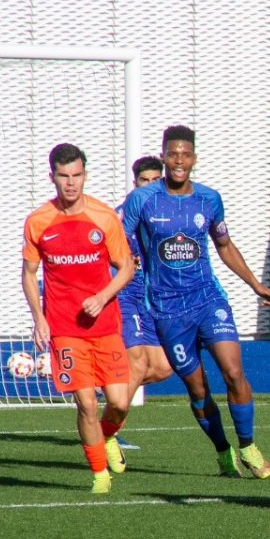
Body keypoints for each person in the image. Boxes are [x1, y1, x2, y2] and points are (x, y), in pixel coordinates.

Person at [121, 125, 270, 479]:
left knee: (234, 372)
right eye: (173, 154)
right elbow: (119, 240)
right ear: (163, 157)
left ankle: (248, 446)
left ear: (194, 158)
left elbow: (224, 244)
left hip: (208, 299)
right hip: (167, 310)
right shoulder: (142, 200)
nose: (179, 161)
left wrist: (255, 284)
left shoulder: (209, 199)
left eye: (185, 154)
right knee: (197, 387)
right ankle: (223, 451)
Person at [22, 143, 135, 493]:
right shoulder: (39, 221)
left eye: (76, 175)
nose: (71, 183)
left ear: (85, 175)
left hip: (105, 326)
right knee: (86, 403)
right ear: (52, 177)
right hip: (65, 329)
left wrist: (102, 297)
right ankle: (100, 475)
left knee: (119, 403)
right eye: (63, 176)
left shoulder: (104, 217)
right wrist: (39, 318)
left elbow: (126, 267)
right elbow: (29, 273)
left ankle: (107, 436)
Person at [99, 155, 175, 466]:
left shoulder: (167, 214)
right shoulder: (120, 216)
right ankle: (107, 435)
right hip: (126, 296)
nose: (150, 187)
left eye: (156, 181)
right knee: (138, 362)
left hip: (155, 297)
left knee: (165, 366)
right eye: (144, 181)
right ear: (135, 184)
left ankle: (108, 384)